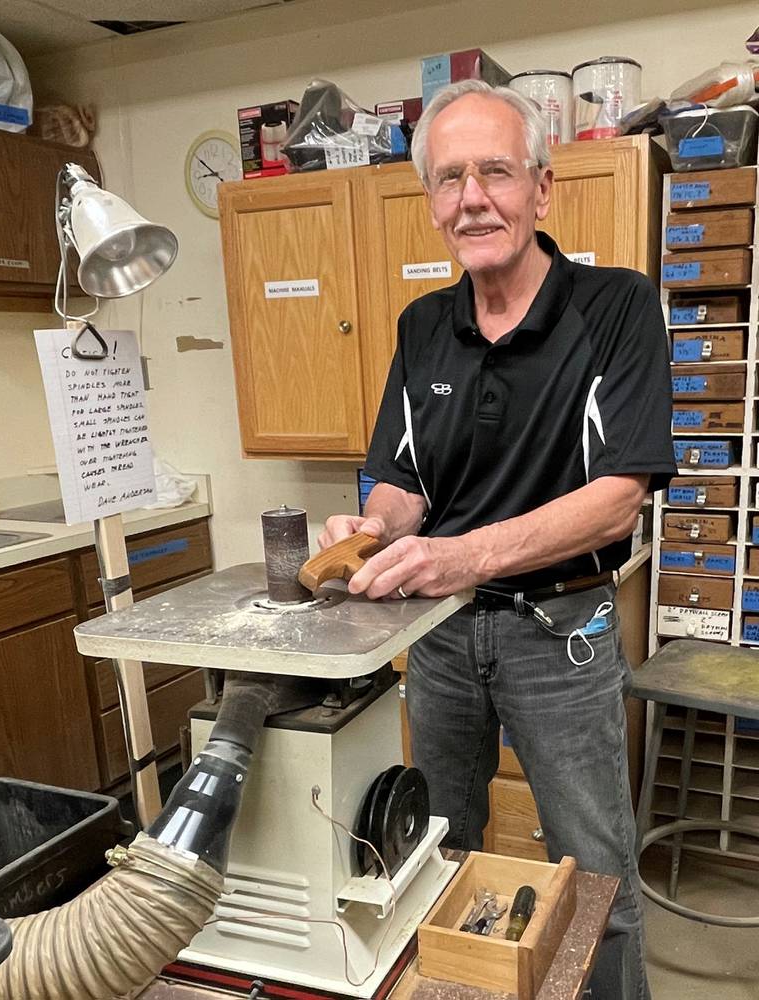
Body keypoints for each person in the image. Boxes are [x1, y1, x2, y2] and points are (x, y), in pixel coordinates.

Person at [319, 80, 676, 999]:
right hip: (439, 638)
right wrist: (376, 525)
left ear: (541, 190)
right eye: (449, 179)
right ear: (434, 203)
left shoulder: (616, 310)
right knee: (436, 857)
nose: (471, 197)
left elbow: (615, 501)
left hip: (562, 635)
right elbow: (403, 480)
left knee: (596, 876)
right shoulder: (421, 327)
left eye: (494, 172)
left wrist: (460, 553)